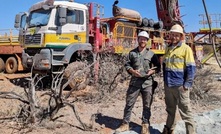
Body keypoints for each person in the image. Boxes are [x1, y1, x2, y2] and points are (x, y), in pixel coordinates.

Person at [115, 31, 161, 134]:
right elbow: (127, 65)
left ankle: (145, 125)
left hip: (147, 83)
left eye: (144, 39)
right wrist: (132, 71)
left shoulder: (151, 54)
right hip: (135, 82)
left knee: (147, 105)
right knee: (129, 103)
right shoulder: (132, 53)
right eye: (141, 38)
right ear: (138, 39)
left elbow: (158, 67)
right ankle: (125, 124)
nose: (142, 40)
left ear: (147, 41)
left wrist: (152, 71)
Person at [162, 24, 196, 134]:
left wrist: (187, 85)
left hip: (180, 86)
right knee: (170, 110)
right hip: (169, 85)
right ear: (170, 35)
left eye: (177, 35)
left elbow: (191, 68)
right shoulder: (168, 48)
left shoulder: (186, 49)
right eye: (173, 35)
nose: (174, 37)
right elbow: (165, 66)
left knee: (186, 112)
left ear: (181, 36)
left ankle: (191, 132)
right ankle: (169, 130)